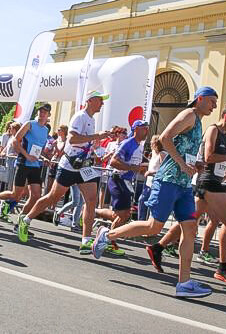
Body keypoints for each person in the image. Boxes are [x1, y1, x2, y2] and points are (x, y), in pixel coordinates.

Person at [92, 86, 218, 298]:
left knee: (190, 229)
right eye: (212, 101)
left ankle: (184, 283)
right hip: (168, 180)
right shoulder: (188, 114)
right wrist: (182, 164)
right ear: (200, 99)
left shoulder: (197, 120)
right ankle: (107, 234)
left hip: (184, 184)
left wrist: (194, 164)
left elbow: (181, 147)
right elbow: (165, 138)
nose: (214, 106)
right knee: (153, 228)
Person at [143, 104, 226, 286]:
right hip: (208, 180)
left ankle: (158, 247)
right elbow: (208, 157)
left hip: (215, 180)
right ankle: (223, 267)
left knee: (190, 221)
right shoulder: (213, 130)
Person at [16, 90, 111, 253]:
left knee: (91, 199)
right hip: (69, 164)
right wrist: (96, 136)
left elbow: (84, 142)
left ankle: (86, 240)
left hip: (83, 166)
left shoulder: (91, 119)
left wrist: (96, 143)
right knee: (53, 197)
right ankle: (25, 220)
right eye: (100, 100)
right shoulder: (80, 116)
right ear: (91, 100)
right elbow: (72, 139)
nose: (102, 103)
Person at [0, 104, 51, 223]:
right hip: (23, 163)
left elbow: (37, 147)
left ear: (49, 115)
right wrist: (27, 155)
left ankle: (21, 222)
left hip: (35, 166)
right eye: (40, 111)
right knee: (15, 194)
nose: (42, 113)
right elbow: (15, 141)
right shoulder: (30, 124)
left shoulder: (45, 130)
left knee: (36, 195)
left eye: (45, 112)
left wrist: (43, 157)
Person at [93, 120, 150, 256]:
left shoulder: (138, 145)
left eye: (147, 128)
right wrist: (133, 168)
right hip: (118, 179)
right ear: (135, 129)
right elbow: (113, 161)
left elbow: (132, 163)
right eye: (144, 128)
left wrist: (142, 168)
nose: (146, 131)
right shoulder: (128, 143)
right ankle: (108, 241)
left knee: (122, 214)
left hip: (126, 181)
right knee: (122, 214)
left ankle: (93, 212)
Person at [137, 135, 166, 222]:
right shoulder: (153, 152)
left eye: (152, 143)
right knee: (142, 200)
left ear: (156, 144)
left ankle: (150, 223)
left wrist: (151, 172)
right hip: (149, 182)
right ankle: (141, 221)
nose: (150, 144)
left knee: (152, 203)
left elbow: (164, 170)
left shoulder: (162, 154)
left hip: (157, 182)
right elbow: (152, 164)